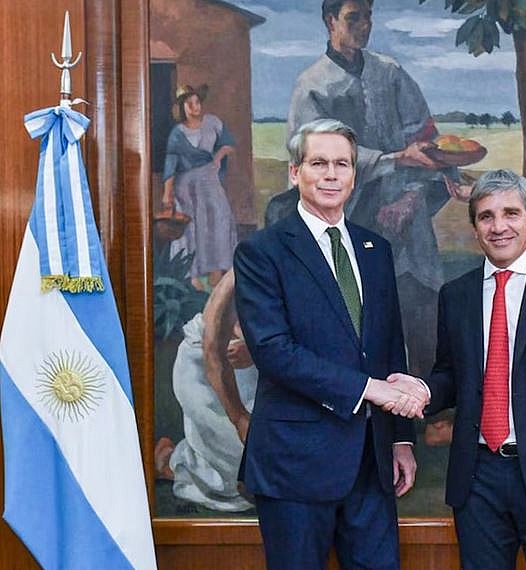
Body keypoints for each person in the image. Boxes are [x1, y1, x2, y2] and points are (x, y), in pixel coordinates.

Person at [233, 119, 429, 570]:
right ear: (294, 172)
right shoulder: (263, 252)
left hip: (371, 462)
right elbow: (274, 351)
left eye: (342, 164)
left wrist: (401, 439)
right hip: (295, 463)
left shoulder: (375, 249)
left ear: (354, 175)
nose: (331, 175)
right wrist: (371, 390)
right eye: (318, 163)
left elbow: (389, 347)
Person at [392, 170, 526, 570]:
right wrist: (423, 391)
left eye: (511, 213)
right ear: (475, 227)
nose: (499, 226)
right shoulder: (456, 294)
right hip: (477, 480)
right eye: (486, 216)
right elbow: (451, 376)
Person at [286, 0, 451, 380]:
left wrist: (411, 198)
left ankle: (431, 403)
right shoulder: (312, 85)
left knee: (423, 313)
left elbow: (426, 141)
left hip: (408, 218)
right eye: (353, 18)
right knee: (358, 321)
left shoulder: (390, 73)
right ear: (330, 21)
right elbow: (314, 157)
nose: (365, 25)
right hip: (351, 218)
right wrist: (395, 159)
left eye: (368, 17)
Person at [154, 269, 256, 512]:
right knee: (240, 452)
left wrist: (255, 352)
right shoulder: (235, 281)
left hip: (254, 367)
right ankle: (173, 461)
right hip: (204, 369)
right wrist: (240, 420)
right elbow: (213, 357)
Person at [161, 84, 237, 291]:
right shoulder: (177, 133)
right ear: (181, 107)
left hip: (210, 181)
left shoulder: (213, 123)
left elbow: (228, 144)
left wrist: (219, 156)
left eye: (197, 102)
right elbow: (170, 165)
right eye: (190, 103)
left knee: (218, 221)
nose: (195, 107)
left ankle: (217, 273)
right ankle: (193, 277)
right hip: (187, 187)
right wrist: (167, 193)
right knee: (193, 228)